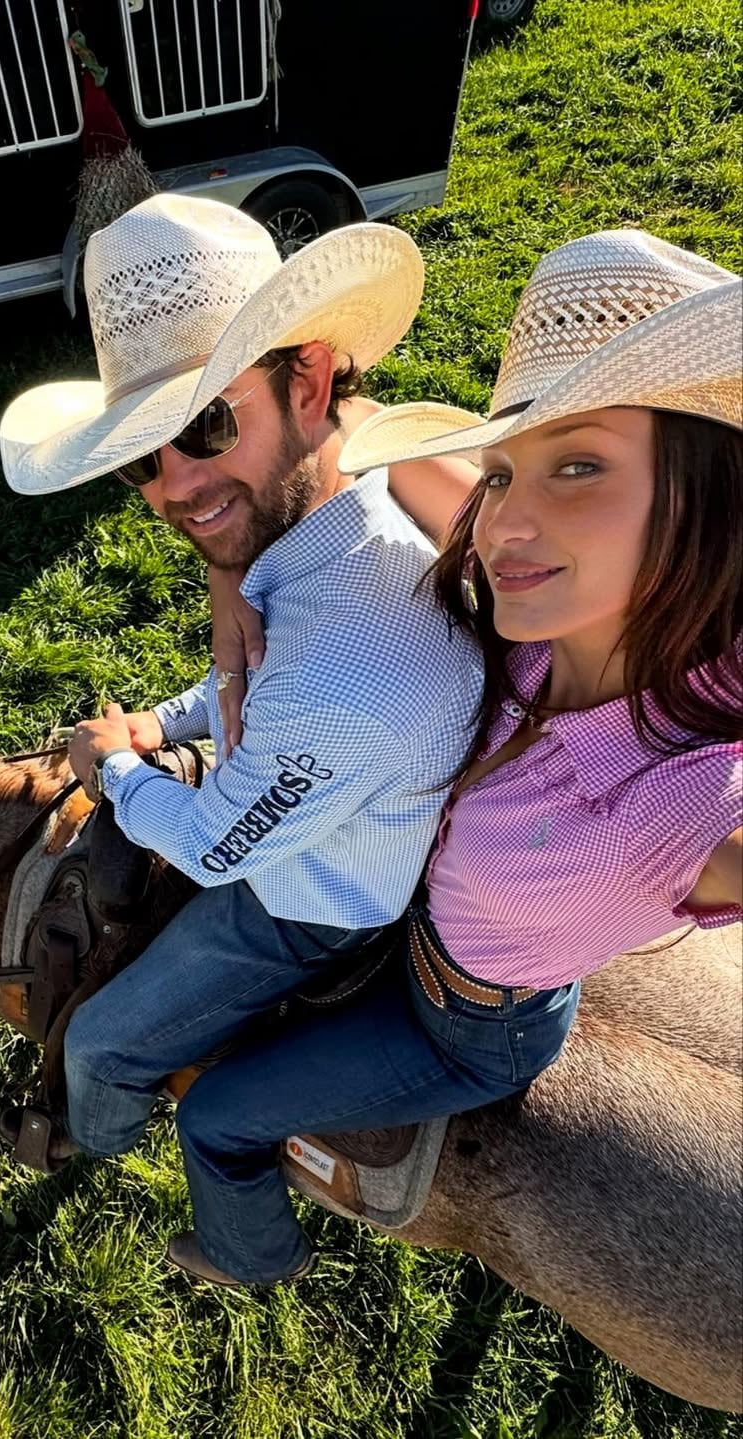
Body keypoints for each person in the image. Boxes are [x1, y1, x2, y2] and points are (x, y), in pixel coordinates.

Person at [165, 227, 742, 1287]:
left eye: (580, 465)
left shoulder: (690, 796)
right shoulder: (543, 607)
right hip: (408, 910)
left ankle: (249, 1252)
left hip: (474, 1026)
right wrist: (228, 583)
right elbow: (373, 433)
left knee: (217, 1112)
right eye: (505, 468)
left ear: (709, 491)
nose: (502, 525)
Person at [0, 192, 482, 1175]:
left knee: (99, 1042)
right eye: (141, 454)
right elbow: (251, 665)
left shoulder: (343, 677)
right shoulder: (331, 524)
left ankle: (100, 1140)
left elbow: (219, 847)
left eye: (207, 424)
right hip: (325, 799)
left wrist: (115, 770)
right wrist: (180, 711)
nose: (174, 483)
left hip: (309, 903)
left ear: (307, 380)